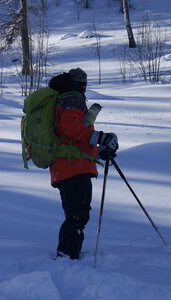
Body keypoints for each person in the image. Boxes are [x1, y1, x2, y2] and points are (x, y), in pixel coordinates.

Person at [49, 68, 119, 260]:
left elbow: (73, 138)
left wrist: (99, 149)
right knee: (77, 214)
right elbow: (71, 129)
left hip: (68, 166)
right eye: (82, 82)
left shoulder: (67, 98)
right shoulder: (72, 98)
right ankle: (67, 255)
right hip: (72, 167)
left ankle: (69, 253)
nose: (84, 86)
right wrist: (100, 138)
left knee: (77, 213)